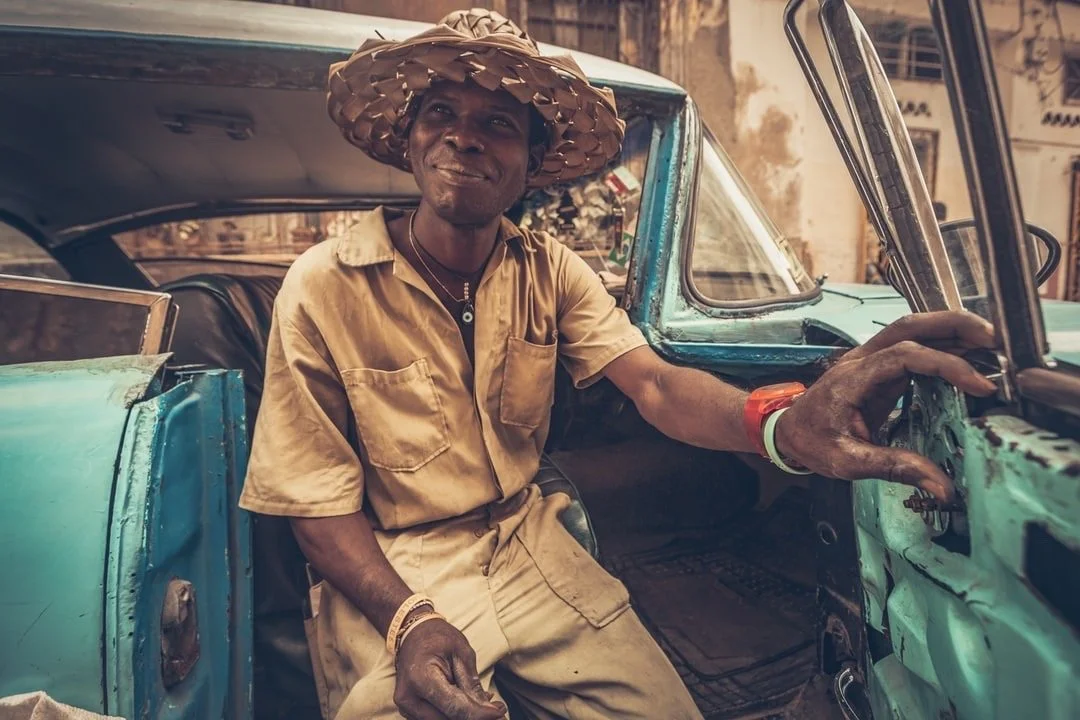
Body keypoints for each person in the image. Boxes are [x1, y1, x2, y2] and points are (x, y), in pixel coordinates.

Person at [239, 9, 996, 720]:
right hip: (394, 573)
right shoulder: (323, 284)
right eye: (441, 115)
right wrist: (408, 621)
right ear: (410, 139)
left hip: (527, 538)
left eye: (497, 123)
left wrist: (781, 424)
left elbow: (657, 385)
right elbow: (314, 503)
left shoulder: (550, 269)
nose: (464, 138)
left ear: (532, 163)